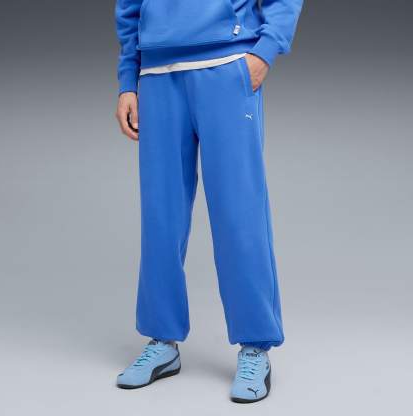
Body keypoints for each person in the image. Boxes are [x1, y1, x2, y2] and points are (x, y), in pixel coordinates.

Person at [114, 0, 303, 403]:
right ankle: (162, 340)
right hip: (158, 75)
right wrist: (128, 79)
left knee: (240, 214)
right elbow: (129, 6)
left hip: (226, 65)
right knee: (161, 218)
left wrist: (265, 51)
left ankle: (255, 346)